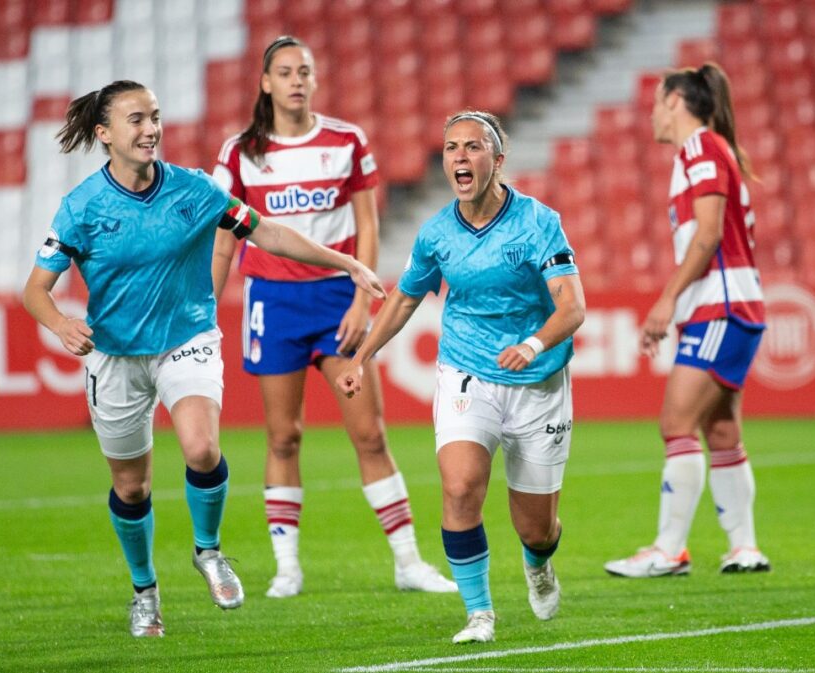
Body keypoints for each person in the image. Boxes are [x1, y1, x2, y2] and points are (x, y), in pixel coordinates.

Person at [22, 80, 385, 637]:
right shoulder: (81, 208)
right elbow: (36, 290)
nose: (150, 130)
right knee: (132, 488)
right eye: (136, 120)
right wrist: (62, 323)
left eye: (155, 117)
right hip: (115, 358)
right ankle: (145, 590)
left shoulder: (196, 190)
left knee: (201, 446)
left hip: (186, 340)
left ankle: (209, 551)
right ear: (104, 134)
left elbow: (271, 233)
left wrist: (345, 262)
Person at [212, 35, 456, 599]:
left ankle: (407, 562)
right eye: (286, 71)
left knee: (369, 433)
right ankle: (287, 567)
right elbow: (224, 233)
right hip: (271, 303)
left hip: (334, 302)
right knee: (283, 436)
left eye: (306, 70)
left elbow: (368, 225)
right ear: (266, 83)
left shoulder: (346, 140)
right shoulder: (239, 152)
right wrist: (208, 302)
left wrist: (360, 298)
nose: (298, 79)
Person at [336, 111, 586, 643]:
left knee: (536, 529)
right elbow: (404, 298)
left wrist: (532, 343)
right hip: (466, 374)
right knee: (460, 487)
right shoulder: (436, 234)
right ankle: (479, 614)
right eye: (451, 148)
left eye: (473, 147)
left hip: (538, 380)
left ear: (498, 160)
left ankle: (538, 562)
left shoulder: (540, 223)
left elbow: (572, 309)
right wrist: (362, 357)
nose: (460, 157)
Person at [604, 63, 770, 578]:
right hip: (736, 304)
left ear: (676, 100)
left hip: (719, 306)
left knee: (676, 424)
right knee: (720, 430)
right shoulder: (708, 151)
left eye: (657, 101)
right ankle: (744, 547)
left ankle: (669, 549)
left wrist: (667, 300)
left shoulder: (701, 148)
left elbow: (709, 234)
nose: (652, 112)